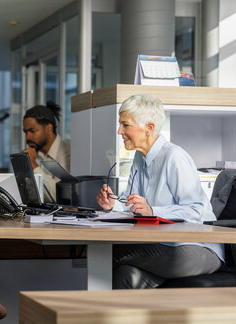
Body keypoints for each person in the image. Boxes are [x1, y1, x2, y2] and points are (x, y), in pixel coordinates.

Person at [96, 94, 224, 289]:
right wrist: (114, 204)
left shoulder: (174, 157)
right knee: (124, 276)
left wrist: (152, 211)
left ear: (149, 128)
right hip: (164, 244)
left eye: (125, 125)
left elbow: (195, 210)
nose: (119, 130)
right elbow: (134, 204)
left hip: (197, 248)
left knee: (106, 251)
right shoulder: (140, 158)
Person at [22, 101, 70, 203]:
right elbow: (31, 196)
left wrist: (33, 165)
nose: (28, 137)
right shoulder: (36, 154)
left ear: (49, 129)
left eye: (32, 131)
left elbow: (61, 195)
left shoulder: (67, 153)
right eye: (26, 132)